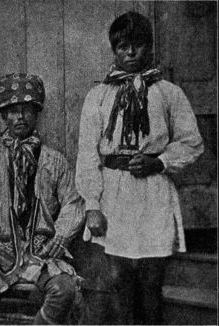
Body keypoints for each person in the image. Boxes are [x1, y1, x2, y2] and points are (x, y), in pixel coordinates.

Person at [75, 11, 204, 325]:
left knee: (151, 279)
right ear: (114, 51)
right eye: (122, 47)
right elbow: (87, 154)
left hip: (152, 191)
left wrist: (159, 161)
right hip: (114, 193)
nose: (130, 53)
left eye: (137, 45)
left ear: (149, 47)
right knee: (119, 277)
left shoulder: (168, 93)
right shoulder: (99, 96)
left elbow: (192, 143)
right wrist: (92, 205)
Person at [0, 72, 84, 324]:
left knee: (64, 290)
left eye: (26, 110)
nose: (20, 117)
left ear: (36, 114)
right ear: (3, 116)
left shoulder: (54, 161)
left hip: (42, 252)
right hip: (0, 251)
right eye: (13, 111)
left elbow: (73, 202)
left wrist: (61, 236)